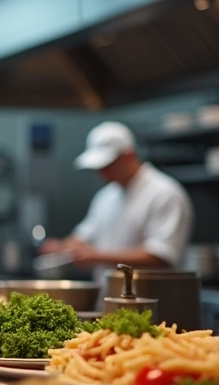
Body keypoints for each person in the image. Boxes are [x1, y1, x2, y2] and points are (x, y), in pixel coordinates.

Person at [40, 121, 193, 283]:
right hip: (109, 294)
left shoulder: (164, 194)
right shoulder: (106, 196)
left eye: (108, 165)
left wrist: (96, 256)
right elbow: (84, 235)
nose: (102, 173)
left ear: (129, 156)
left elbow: (161, 256)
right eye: (99, 167)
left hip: (150, 296)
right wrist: (61, 248)